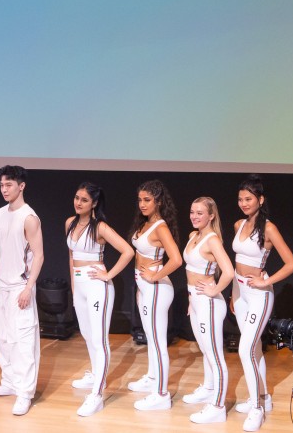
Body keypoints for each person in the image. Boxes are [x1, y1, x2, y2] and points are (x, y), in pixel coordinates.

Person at [231, 174, 293, 431]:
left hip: (259, 295)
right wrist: (234, 293)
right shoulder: (238, 225)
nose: (243, 203)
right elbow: (237, 263)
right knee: (254, 348)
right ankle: (263, 397)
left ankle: (256, 410)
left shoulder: (269, 229)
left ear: (260, 200)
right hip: (240, 292)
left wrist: (265, 281)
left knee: (244, 348)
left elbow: (291, 263)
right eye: (240, 199)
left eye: (248, 199)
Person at [65, 181, 135, 417]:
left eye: (84, 200)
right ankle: (97, 375)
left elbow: (128, 251)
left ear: (94, 203)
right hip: (80, 286)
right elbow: (71, 256)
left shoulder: (100, 227)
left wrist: (108, 275)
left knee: (99, 339)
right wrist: (74, 286)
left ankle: (96, 395)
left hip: (97, 286)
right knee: (86, 334)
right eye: (77, 198)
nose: (78, 203)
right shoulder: (69, 223)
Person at [0, 165, 44, 416]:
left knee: (23, 340)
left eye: (8, 185)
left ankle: (25, 392)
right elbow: (1, 248)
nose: (4, 189)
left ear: (21, 186)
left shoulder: (29, 217)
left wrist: (29, 287)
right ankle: (10, 381)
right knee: (1, 336)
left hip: (20, 285)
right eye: (1, 185)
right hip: (1, 284)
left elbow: (39, 255)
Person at [128, 179, 183, 410]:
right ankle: (152, 377)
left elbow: (177, 259)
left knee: (158, 342)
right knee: (151, 337)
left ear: (158, 201)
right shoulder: (145, 223)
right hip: (144, 287)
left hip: (156, 289)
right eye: (140, 200)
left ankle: (161, 394)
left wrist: (155, 276)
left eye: (147, 200)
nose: (142, 204)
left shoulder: (160, 226)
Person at [182, 197, 235, 424]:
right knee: (205, 349)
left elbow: (229, 272)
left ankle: (217, 407)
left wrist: (214, 290)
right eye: (192, 212)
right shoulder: (193, 236)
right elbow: (190, 270)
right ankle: (208, 388)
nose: (194, 216)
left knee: (214, 354)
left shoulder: (212, 239)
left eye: (200, 213)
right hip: (196, 300)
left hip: (209, 303)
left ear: (211, 216)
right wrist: (191, 298)